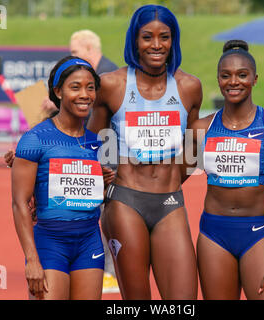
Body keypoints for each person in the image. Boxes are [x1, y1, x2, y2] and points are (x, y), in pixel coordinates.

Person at [87, 5, 202, 299]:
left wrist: (170, 179)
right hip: (125, 202)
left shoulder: (189, 87)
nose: (156, 45)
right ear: (134, 41)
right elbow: (90, 143)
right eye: (147, 37)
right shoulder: (111, 85)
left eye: (164, 37)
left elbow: (192, 149)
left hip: (170, 202)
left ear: (173, 40)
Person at [6, 29, 120, 293]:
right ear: (58, 91)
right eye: (75, 87)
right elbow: (19, 203)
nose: (84, 95)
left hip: (90, 244)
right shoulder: (35, 139)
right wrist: (32, 259)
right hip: (50, 244)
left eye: (90, 88)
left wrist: (102, 185)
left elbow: (92, 196)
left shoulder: (99, 142)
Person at [188, 40, 264, 300]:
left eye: (242, 75)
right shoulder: (201, 129)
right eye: (226, 76)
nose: (233, 82)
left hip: (256, 233)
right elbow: (172, 177)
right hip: (213, 234)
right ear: (218, 79)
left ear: (255, 79)